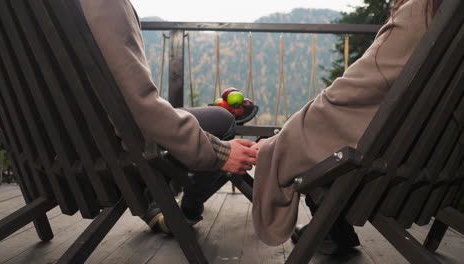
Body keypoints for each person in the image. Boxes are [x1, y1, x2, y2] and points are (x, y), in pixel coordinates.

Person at [251, 0, 444, 254]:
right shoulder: (446, 20)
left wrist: (278, 143)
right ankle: (332, 229)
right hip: (436, 167)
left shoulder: (422, 12)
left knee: (326, 162)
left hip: (393, 177)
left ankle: (328, 227)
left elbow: (349, 93)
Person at [77, 0, 257, 231]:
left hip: (58, 148)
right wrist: (218, 152)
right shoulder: (102, 4)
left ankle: (161, 203)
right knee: (222, 120)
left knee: (211, 121)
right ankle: (186, 211)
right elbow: (139, 105)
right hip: (105, 147)